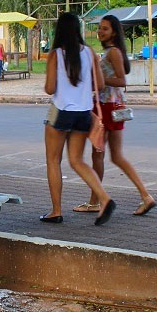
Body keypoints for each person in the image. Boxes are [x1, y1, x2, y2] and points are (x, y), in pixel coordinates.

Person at [76, 15, 156, 216]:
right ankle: (142, 196)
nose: (100, 32)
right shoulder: (110, 52)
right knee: (109, 155)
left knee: (101, 154)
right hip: (109, 106)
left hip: (107, 107)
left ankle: (98, 200)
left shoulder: (113, 53)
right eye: (100, 28)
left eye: (105, 29)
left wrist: (100, 80)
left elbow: (122, 81)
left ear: (113, 32)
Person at [41, 13, 115, 226]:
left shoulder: (55, 55)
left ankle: (56, 211)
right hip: (83, 113)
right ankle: (104, 198)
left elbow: (49, 88)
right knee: (77, 160)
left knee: (53, 160)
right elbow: (100, 84)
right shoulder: (90, 52)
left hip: (60, 110)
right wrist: (81, 89)